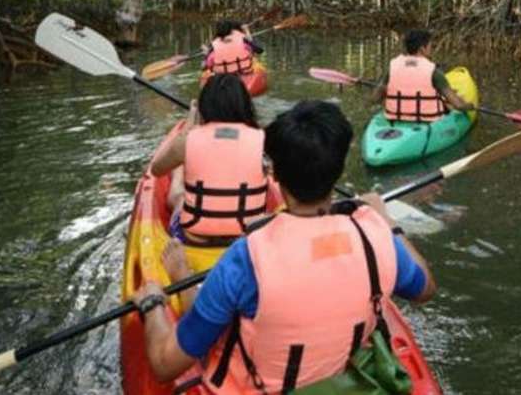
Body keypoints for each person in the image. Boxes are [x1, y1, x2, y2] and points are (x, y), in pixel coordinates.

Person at [133, 101, 437, 390]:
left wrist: (153, 303)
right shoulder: (374, 234)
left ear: (274, 174)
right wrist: (386, 223)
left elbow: (164, 364)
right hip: (341, 382)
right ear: (338, 171)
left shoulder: (247, 257)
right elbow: (424, 290)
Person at [150, 74, 282, 274]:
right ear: (245, 106)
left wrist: (189, 122)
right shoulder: (263, 141)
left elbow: (156, 169)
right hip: (246, 240)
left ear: (204, 108)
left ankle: (179, 179)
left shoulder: (188, 140)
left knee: (178, 197)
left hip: (195, 240)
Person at [371, 29, 472, 122]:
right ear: (422, 49)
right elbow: (458, 105)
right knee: (447, 104)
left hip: (395, 118)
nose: (431, 49)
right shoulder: (434, 72)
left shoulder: (392, 68)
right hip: (427, 121)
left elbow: (375, 98)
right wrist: (470, 106)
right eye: (430, 46)